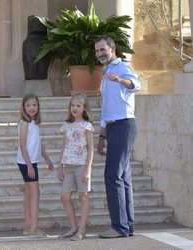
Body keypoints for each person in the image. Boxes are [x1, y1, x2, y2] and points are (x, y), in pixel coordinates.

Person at [95, 36, 141, 238]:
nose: (100, 54)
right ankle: (127, 226)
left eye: (103, 50)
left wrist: (121, 80)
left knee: (112, 175)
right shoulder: (106, 74)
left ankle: (119, 227)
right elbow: (106, 108)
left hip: (124, 125)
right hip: (113, 128)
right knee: (123, 177)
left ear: (112, 49)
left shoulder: (121, 68)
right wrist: (101, 136)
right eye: (97, 51)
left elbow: (136, 84)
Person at [58, 92, 94, 241]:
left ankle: (82, 229)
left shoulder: (87, 126)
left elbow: (91, 149)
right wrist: (60, 166)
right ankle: (73, 227)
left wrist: (87, 169)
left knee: (83, 196)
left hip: (81, 166)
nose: (75, 108)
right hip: (68, 166)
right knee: (65, 195)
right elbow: (64, 146)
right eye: (73, 105)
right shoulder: (67, 125)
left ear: (84, 108)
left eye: (78, 105)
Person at [17, 93, 54, 237]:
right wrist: (30, 166)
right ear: (23, 107)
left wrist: (47, 159)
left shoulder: (34, 123)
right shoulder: (24, 123)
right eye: (28, 105)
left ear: (38, 106)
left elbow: (38, 144)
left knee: (28, 193)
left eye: (34, 105)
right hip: (27, 162)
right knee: (35, 194)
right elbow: (22, 145)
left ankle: (27, 226)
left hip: (31, 161)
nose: (31, 108)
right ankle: (34, 228)